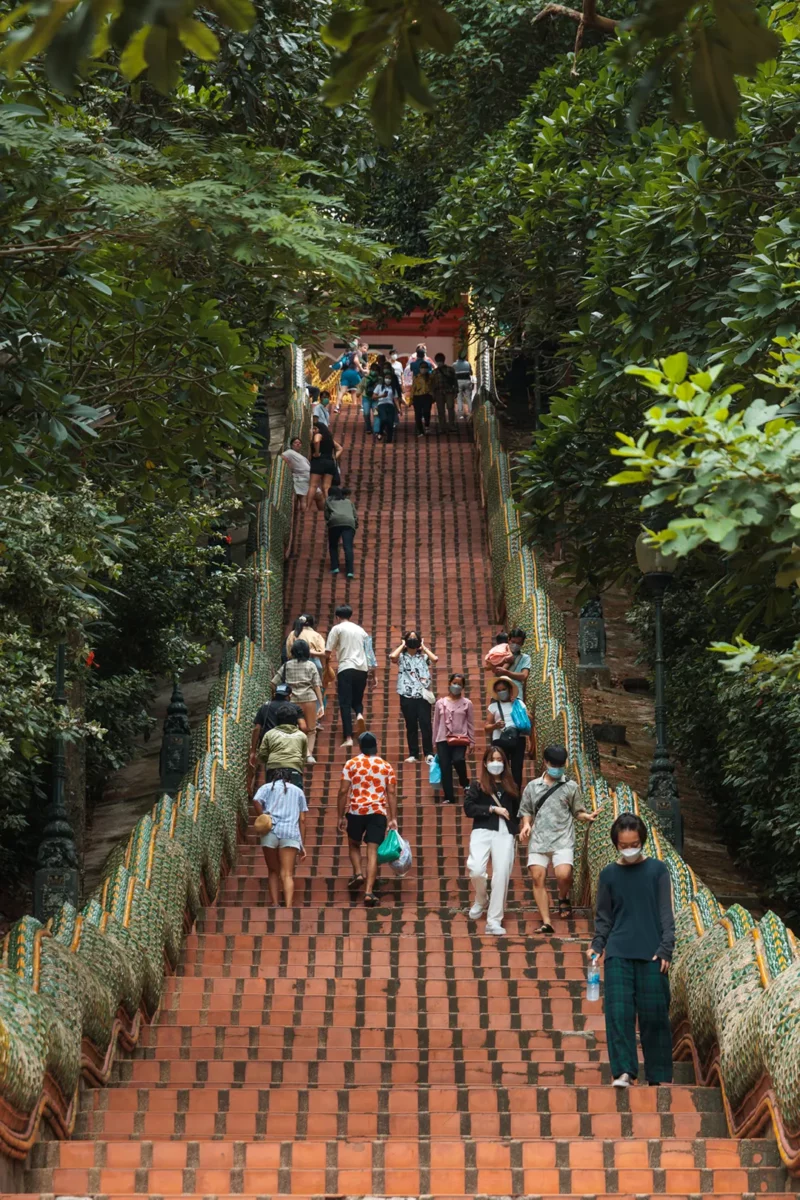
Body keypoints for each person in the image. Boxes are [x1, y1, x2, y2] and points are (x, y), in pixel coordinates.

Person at [590, 813, 675, 1089]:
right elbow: (604, 916)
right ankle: (624, 1072)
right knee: (619, 1013)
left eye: (634, 843)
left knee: (654, 1013)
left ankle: (658, 1075)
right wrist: (597, 945)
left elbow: (666, 913)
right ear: (616, 844)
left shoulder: (658, 870)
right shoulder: (609, 874)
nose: (630, 849)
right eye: (624, 845)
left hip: (652, 952)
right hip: (618, 951)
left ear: (643, 841)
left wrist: (666, 948)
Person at [519, 745, 596, 934]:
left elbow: (577, 810)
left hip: (562, 838)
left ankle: (563, 897)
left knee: (564, 874)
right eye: (554, 764)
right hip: (539, 840)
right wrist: (526, 824)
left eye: (561, 765)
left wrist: (585, 816)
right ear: (545, 763)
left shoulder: (571, 786)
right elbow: (527, 810)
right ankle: (547, 922)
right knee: (538, 877)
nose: (557, 768)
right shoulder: (532, 786)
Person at [337, 731, 398, 907]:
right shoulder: (386, 766)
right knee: (372, 852)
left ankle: (357, 873)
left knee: (353, 844)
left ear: (361, 747)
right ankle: (369, 892)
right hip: (378, 812)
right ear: (376, 747)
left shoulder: (351, 764)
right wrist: (393, 817)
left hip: (356, 811)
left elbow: (343, 791)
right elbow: (392, 792)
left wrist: (340, 815)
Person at [464, 746, 520, 935]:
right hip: (482, 830)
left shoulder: (511, 786)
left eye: (499, 760)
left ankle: (494, 920)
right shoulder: (477, 785)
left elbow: (518, 812)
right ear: (485, 763)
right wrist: (491, 809)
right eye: (492, 760)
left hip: (505, 833)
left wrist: (522, 828)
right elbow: (469, 808)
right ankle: (481, 898)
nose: (496, 763)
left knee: (501, 874)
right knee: (477, 870)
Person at [253, 768, 308, 907]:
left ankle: (275, 904)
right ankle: (288, 907)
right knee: (287, 873)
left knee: (273, 870)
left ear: (273, 778)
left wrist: (263, 816)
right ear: (289, 779)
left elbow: (255, 800)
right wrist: (302, 844)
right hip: (290, 833)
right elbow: (302, 819)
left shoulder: (266, 787)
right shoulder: (298, 791)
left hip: (270, 831)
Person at [325, 604, 377, 749]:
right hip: (362, 669)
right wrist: (374, 675)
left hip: (346, 668)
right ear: (350, 615)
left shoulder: (337, 629)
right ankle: (359, 714)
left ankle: (348, 737)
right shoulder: (361, 631)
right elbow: (370, 654)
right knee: (357, 698)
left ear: (337, 617)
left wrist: (325, 666)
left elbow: (328, 652)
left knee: (345, 703)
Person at [272, 640, 324, 764]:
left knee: (294, 728)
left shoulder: (286, 665)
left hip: (292, 700)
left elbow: (273, 682)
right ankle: (309, 755)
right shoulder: (311, 665)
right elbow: (317, 685)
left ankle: (295, 754)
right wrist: (321, 704)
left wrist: (281, 694)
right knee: (311, 729)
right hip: (309, 699)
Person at [390, 630, 438, 762]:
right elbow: (392, 657)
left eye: (414, 638)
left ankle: (428, 753)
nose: (412, 639)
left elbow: (435, 659)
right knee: (410, 725)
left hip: (422, 695)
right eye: (409, 638)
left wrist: (424, 647)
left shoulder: (423, 657)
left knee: (425, 724)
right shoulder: (401, 657)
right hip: (406, 695)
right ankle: (413, 754)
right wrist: (402, 645)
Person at [249, 684, 305, 795]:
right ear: (289, 695)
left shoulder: (265, 707)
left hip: (271, 749)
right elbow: (303, 727)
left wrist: (253, 751)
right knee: (295, 791)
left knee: (272, 786)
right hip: (292, 748)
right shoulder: (294, 708)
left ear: (275, 694)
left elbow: (257, 729)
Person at [432, 672, 475, 804]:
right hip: (442, 739)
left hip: (460, 738)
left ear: (463, 687)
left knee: (458, 760)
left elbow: (470, 723)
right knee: (445, 767)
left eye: (459, 684)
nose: (456, 686)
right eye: (454, 683)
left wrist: (471, 741)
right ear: (449, 684)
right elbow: (436, 722)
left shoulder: (467, 703)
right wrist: (434, 742)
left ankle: (465, 782)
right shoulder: (440, 703)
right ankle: (449, 797)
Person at [484, 675, 533, 789]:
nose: (502, 692)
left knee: (517, 768)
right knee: (500, 768)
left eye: (504, 689)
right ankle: (501, 791)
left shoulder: (519, 703)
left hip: (518, 739)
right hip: (500, 740)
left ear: (509, 689)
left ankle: (516, 794)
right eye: (499, 690)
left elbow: (530, 718)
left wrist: (519, 708)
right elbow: (486, 727)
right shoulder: (493, 706)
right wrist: (495, 725)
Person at [258, 702, 308, 789]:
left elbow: (262, 754)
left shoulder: (270, 734)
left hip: (273, 768)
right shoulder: (302, 736)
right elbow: (303, 756)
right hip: (294, 767)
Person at [485, 626, 531, 701]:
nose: (515, 645)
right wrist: (503, 660)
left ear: (522, 644)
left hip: (516, 695)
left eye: (518, 643)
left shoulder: (525, 658)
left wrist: (507, 672)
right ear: (508, 640)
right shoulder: (499, 653)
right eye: (513, 642)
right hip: (498, 693)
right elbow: (489, 667)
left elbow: (523, 675)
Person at [307, 421, 342, 510]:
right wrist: (334, 458)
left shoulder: (318, 435)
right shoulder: (329, 438)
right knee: (326, 487)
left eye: (314, 428)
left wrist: (317, 453)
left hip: (319, 462)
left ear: (318, 429)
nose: (313, 430)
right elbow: (340, 448)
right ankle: (330, 508)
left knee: (313, 485)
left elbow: (316, 441)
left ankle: (307, 507)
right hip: (330, 463)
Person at [325, 485, 358, 578]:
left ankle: (335, 567)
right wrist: (355, 525)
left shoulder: (328, 501)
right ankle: (349, 571)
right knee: (348, 547)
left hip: (334, 523)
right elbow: (354, 514)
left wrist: (329, 523)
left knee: (333, 545)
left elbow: (327, 515)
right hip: (349, 523)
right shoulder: (348, 501)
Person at [430, 353, 458, 433]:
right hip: (440, 392)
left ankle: (450, 426)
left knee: (449, 409)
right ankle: (443, 427)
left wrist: (456, 390)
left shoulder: (449, 370)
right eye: (438, 361)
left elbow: (454, 380)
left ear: (443, 361)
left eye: (440, 361)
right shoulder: (435, 372)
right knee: (441, 410)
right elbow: (432, 383)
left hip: (448, 392)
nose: (439, 363)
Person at [372, 369, 401, 444]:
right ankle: (380, 432)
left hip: (390, 405)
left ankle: (389, 439)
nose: (388, 380)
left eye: (389, 378)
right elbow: (374, 397)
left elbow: (395, 399)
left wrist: (398, 409)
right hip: (381, 405)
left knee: (390, 422)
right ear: (384, 379)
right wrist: (382, 396)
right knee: (384, 419)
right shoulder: (379, 386)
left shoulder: (393, 388)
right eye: (386, 378)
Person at [410, 361, 435, 438]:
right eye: (422, 367)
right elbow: (413, 388)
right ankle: (420, 430)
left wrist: (433, 396)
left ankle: (427, 426)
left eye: (425, 367)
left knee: (427, 412)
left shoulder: (431, 377)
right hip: (417, 397)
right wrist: (411, 399)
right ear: (419, 369)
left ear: (427, 368)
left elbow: (433, 386)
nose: (423, 369)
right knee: (418, 414)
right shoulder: (416, 377)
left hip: (427, 396)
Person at [360, 361, 381, 433]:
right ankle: (368, 427)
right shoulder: (365, 378)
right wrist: (358, 392)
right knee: (366, 413)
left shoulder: (380, 380)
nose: (374, 371)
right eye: (372, 369)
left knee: (376, 414)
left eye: (376, 370)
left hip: (376, 399)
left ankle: (376, 429)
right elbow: (361, 386)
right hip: (366, 398)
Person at [454, 351, 473, 419]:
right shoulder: (468, 364)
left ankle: (460, 414)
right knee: (468, 398)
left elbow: (452, 374)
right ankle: (471, 413)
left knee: (459, 398)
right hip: (467, 381)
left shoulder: (454, 364)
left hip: (458, 382)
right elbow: (471, 373)